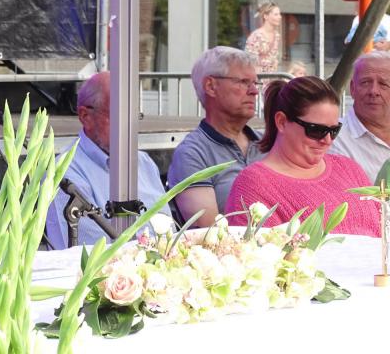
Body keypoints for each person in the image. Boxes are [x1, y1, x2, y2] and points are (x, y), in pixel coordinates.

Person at [225, 77, 379, 236]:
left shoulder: (348, 168)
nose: (326, 140)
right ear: (282, 122)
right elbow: (259, 255)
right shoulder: (254, 185)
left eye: (334, 131)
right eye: (315, 130)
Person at [45, 71, 169, 249]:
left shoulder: (144, 163)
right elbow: (89, 251)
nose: (129, 125)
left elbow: (168, 229)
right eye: (119, 116)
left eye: (134, 115)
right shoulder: (65, 171)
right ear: (85, 116)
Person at [167, 46, 265, 227]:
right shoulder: (192, 153)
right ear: (211, 86)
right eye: (243, 82)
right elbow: (210, 232)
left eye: (255, 83)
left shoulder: (267, 143)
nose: (254, 91)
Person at [329, 51, 390, 182]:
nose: (374, 91)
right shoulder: (332, 138)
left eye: (383, 84)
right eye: (365, 82)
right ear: (352, 88)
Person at [245, 2, 282, 73]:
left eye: (279, 14)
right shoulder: (256, 36)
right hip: (258, 79)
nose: (280, 17)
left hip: (272, 78)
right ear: (266, 16)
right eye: (276, 14)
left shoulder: (277, 36)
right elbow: (249, 61)